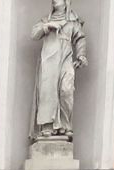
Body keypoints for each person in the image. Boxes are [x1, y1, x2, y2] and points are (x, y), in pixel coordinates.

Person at [30, 0, 87, 142]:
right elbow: (34, 34)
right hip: (49, 59)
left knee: (66, 90)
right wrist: (47, 26)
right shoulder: (46, 20)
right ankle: (47, 126)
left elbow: (80, 38)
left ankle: (65, 125)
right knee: (48, 90)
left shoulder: (72, 20)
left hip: (66, 58)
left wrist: (81, 55)